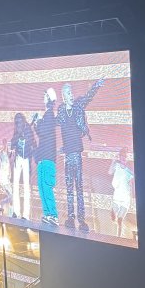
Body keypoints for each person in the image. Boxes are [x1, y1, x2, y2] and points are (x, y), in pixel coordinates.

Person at [55, 79, 102, 231]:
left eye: (71, 92)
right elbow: (54, 122)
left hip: (77, 154)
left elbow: (88, 97)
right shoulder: (61, 110)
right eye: (68, 93)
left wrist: (95, 86)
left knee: (79, 187)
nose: (71, 95)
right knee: (69, 188)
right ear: (63, 96)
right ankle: (70, 217)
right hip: (67, 155)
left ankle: (82, 220)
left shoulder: (78, 106)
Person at [33, 88, 59, 226]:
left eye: (44, 95)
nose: (43, 97)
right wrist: (37, 122)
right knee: (42, 186)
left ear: (49, 98)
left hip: (48, 159)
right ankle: (47, 214)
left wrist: (37, 121)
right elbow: (40, 133)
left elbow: (42, 131)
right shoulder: (46, 115)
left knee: (46, 186)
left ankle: (53, 215)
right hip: (43, 158)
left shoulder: (49, 115)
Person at [10, 113, 36, 221]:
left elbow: (33, 143)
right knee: (15, 186)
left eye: (19, 121)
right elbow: (12, 143)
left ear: (23, 121)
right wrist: (14, 144)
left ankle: (26, 215)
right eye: (17, 122)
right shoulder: (16, 131)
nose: (18, 123)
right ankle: (16, 211)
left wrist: (26, 137)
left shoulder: (28, 130)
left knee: (26, 187)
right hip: (18, 159)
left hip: (26, 160)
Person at [108, 147, 134, 238]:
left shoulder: (129, 171)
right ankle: (113, 213)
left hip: (125, 199)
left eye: (125, 157)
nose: (124, 158)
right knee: (112, 218)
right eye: (122, 156)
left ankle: (118, 238)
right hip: (117, 197)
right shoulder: (117, 165)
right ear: (119, 157)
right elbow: (110, 172)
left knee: (119, 220)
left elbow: (132, 181)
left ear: (126, 158)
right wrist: (113, 161)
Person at [0, 138, 13, 218]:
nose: (5, 146)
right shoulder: (1, 154)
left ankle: (3, 206)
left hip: (7, 177)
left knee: (11, 196)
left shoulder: (7, 154)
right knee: (11, 196)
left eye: (6, 144)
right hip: (4, 177)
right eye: (5, 144)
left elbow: (9, 165)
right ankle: (2, 204)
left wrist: (10, 173)